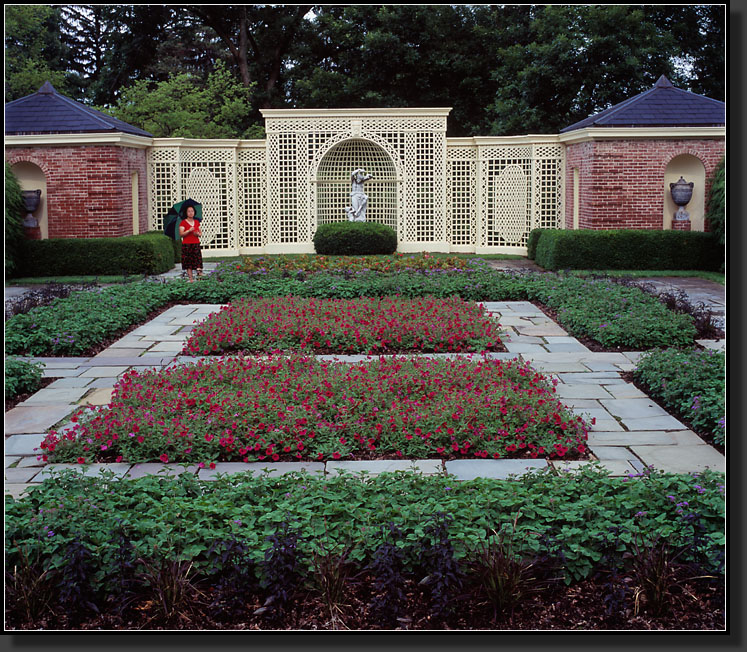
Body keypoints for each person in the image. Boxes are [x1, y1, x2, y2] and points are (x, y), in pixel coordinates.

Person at [179, 205, 203, 282]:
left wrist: (197, 234)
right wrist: (189, 230)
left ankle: (199, 278)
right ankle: (191, 279)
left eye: (192, 211)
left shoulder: (196, 222)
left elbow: (200, 232)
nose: (190, 213)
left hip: (195, 243)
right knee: (188, 263)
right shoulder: (183, 222)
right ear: (186, 213)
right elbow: (181, 234)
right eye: (189, 211)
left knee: (198, 262)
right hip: (187, 245)